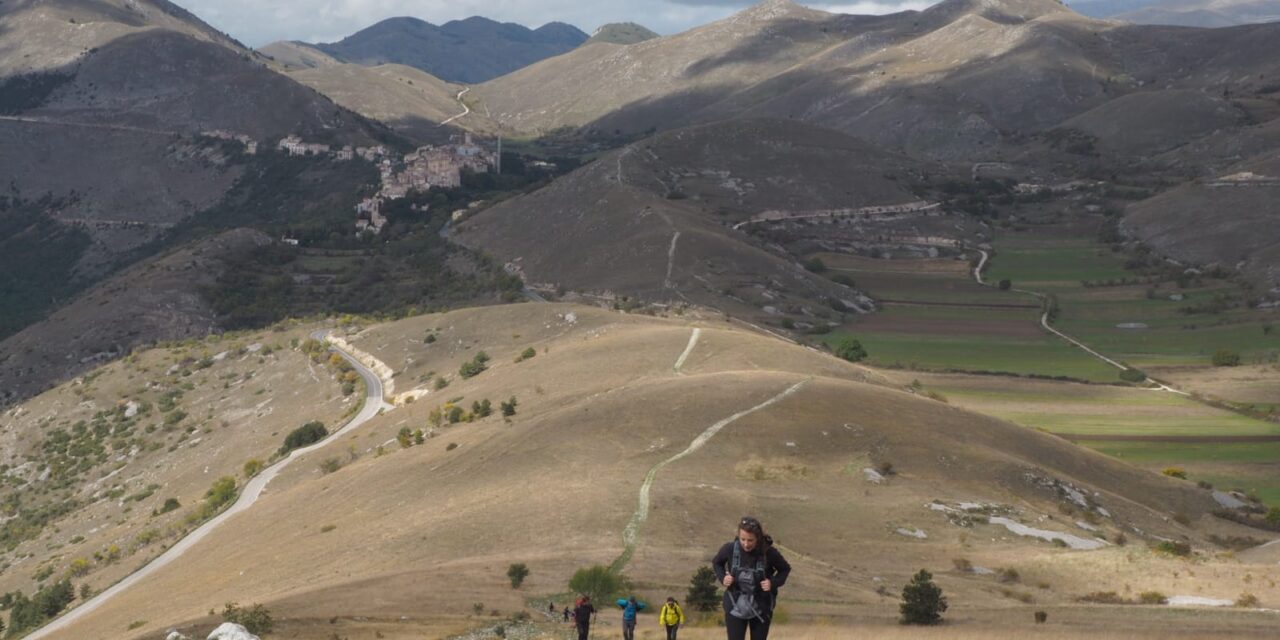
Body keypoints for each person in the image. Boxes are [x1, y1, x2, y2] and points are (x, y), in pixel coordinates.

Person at [712, 516, 791, 640]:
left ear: (758, 538)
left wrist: (773, 583)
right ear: (738, 536)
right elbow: (717, 563)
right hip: (735, 606)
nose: (746, 544)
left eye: (750, 540)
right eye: (742, 539)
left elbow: (785, 569)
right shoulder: (730, 549)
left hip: (761, 607)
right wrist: (723, 578)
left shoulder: (769, 552)